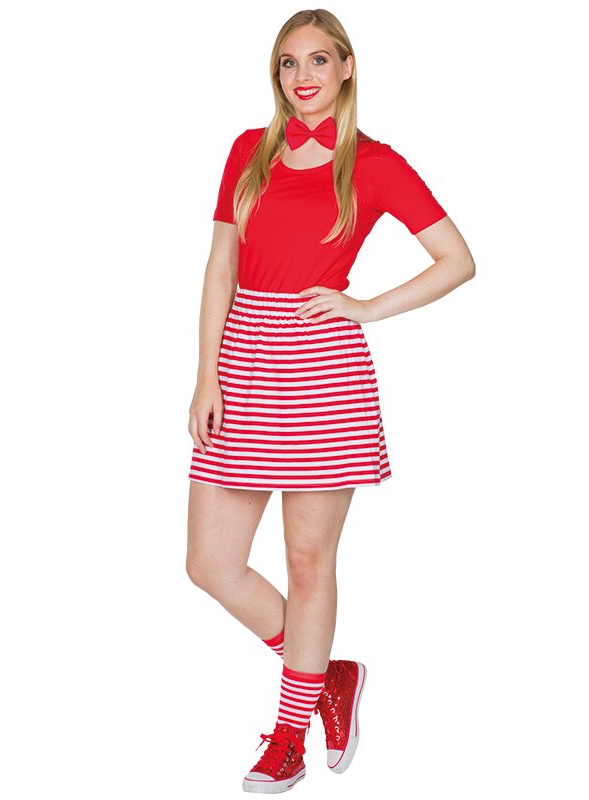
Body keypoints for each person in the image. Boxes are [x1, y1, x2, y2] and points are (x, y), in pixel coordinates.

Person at [185, 8, 475, 794]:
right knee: (210, 564)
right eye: (289, 62)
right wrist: (206, 374)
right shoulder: (249, 150)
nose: (303, 76)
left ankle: (288, 735)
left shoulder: (375, 164)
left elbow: (457, 259)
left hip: (322, 371)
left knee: (308, 561)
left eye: (319, 60)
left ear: (346, 67)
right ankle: (327, 675)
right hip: (243, 362)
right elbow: (220, 268)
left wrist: (367, 307)